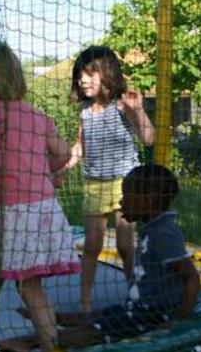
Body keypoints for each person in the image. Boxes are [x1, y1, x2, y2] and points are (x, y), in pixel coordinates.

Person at [0, 164, 200, 352]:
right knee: (97, 316)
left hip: (153, 316)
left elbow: (191, 278)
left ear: (148, 201)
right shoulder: (154, 228)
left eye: (127, 196)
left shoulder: (164, 234)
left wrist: (177, 321)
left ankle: (35, 341)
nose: (121, 202)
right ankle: (51, 321)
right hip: (138, 309)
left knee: (98, 329)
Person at [0, 44, 80, 352]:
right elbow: (64, 153)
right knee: (31, 287)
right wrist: (44, 173)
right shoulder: (35, 115)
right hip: (40, 211)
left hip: (1, 215)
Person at [61, 46, 154, 313]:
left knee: (126, 244)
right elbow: (81, 146)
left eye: (90, 74)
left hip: (126, 182)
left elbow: (149, 138)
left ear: (107, 74)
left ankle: (134, 294)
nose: (82, 80)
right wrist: (64, 167)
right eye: (80, 75)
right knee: (92, 244)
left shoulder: (122, 105)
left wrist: (139, 110)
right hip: (95, 184)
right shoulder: (86, 112)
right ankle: (85, 304)